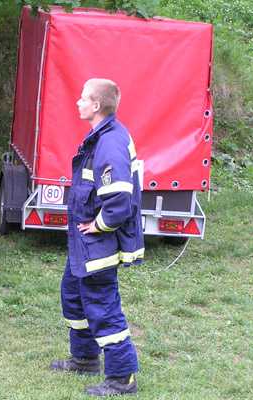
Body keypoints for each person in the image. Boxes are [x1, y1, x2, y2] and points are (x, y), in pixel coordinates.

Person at [49, 79, 144, 396]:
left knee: (102, 307)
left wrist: (100, 225)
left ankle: (122, 377)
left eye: (83, 98)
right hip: (83, 244)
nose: (78, 102)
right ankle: (85, 358)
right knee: (73, 296)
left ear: (96, 106)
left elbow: (120, 200)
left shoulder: (110, 143)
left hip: (97, 245)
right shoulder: (102, 135)